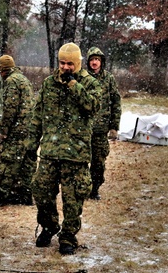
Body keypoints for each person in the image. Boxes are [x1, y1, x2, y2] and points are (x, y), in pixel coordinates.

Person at [25, 43, 98, 255]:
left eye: (70, 64)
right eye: (62, 63)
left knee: (73, 197)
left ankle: (68, 236)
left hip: (75, 153)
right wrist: (31, 144)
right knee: (41, 190)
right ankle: (49, 226)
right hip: (50, 151)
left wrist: (74, 85)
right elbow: (37, 115)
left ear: (77, 63)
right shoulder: (49, 84)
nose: (65, 68)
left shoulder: (90, 84)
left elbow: (93, 106)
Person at [0, 55, 35, 206]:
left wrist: (3, 131)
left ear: (2, 70)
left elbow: (9, 110)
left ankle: (0, 194)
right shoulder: (23, 80)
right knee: (26, 163)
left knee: (7, 161)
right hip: (29, 129)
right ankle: (26, 195)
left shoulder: (11, 82)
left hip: (17, 130)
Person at [84, 47, 121, 200]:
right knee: (81, 162)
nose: (94, 62)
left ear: (101, 62)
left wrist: (114, 126)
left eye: (97, 60)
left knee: (99, 162)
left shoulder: (108, 79)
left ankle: (94, 190)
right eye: (92, 59)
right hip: (84, 129)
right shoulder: (83, 78)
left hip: (101, 130)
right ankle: (82, 189)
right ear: (88, 62)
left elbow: (116, 103)